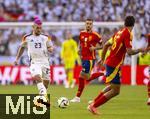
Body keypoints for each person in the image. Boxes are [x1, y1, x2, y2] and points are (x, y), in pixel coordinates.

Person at [87, 16, 146, 115]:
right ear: (133, 24)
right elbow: (130, 52)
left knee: (112, 86)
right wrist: (140, 50)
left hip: (111, 62)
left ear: (124, 23)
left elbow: (106, 45)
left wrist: (102, 58)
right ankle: (93, 106)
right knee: (116, 90)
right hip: (114, 64)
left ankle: (94, 102)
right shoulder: (128, 33)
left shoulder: (119, 32)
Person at [14, 17, 53, 107]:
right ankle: (45, 98)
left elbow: (51, 47)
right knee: (38, 78)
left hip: (45, 62)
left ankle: (39, 100)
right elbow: (22, 47)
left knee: (46, 83)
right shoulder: (27, 37)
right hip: (34, 62)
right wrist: (17, 59)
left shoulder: (46, 37)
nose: (39, 30)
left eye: (40, 28)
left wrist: (50, 49)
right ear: (33, 27)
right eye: (37, 28)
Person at [70, 18, 104, 103]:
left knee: (81, 77)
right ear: (85, 24)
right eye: (87, 23)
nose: (88, 25)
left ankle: (77, 98)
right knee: (86, 78)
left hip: (90, 59)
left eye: (90, 24)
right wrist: (78, 49)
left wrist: (95, 48)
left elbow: (102, 46)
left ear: (92, 25)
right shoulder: (81, 33)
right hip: (83, 58)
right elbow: (80, 42)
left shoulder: (96, 35)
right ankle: (104, 73)